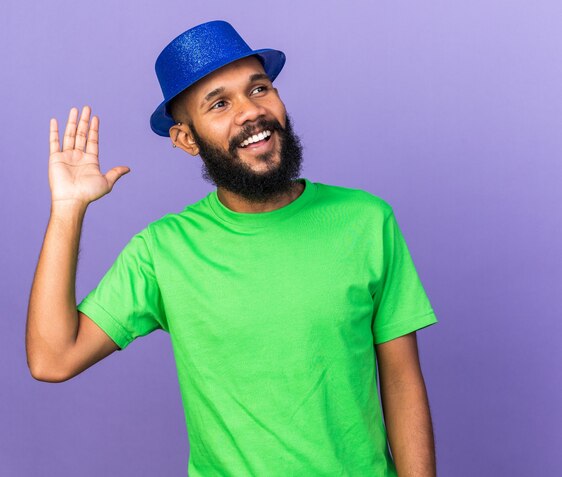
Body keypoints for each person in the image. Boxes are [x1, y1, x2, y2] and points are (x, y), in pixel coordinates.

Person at [26, 20, 439, 477]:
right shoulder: (163, 250)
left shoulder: (366, 221)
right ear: (186, 139)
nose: (250, 112)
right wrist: (68, 209)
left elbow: (401, 381)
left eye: (259, 89)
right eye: (219, 103)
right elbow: (53, 358)